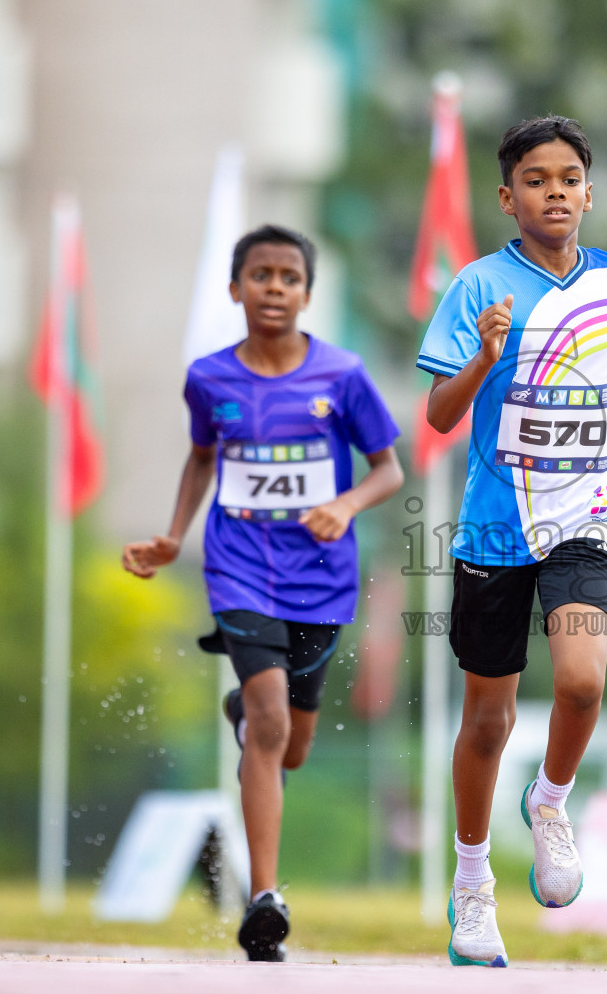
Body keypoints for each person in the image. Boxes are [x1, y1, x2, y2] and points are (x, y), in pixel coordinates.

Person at [417, 115, 607, 967]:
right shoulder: (480, 287)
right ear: (507, 196)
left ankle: (552, 801)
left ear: (589, 194)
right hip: (495, 523)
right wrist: (483, 359)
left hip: (585, 514)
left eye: (569, 178)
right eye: (536, 179)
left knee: (583, 683)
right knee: (486, 720)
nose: (554, 191)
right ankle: (473, 881)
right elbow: (440, 416)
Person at [122, 224, 403, 962]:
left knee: (292, 747)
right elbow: (200, 458)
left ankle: (247, 716)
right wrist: (174, 534)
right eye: (261, 274)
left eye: (288, 277)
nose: (274, 288)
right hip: (239, 568)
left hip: (321, 577)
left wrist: (345, 506)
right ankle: (264, 901)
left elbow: (388, 469)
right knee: (271, 722)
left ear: (308, 293)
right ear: (235, 288)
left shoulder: (341, 375)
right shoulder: (210, 379)